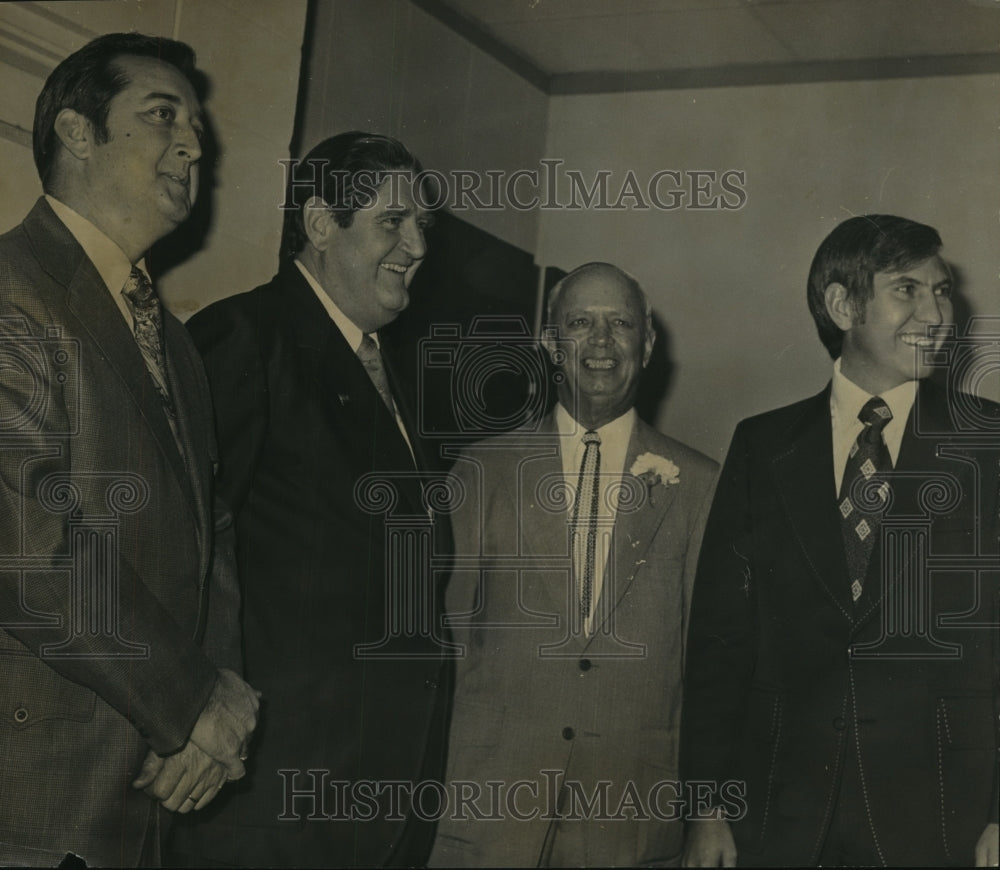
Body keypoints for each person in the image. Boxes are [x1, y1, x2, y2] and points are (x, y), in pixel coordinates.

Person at [0, 32, 260, 867]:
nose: (195, 142)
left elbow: (206, 537)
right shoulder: (13, 292)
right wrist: (189, 702)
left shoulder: (172, 339)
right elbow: (31, 552)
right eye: (162, 115)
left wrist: (219, 708)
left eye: (196, 123)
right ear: (76, 133)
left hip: (139, 792)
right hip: (37, 801)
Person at [168, 131, 452, 868]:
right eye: (394, 223)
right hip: (273, 789)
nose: (417, 245)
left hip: (374, 792)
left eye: (423, 226)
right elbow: (180, 552)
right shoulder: (245, 337)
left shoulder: (398, 374)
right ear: (323, 224)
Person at [681, 214, 1000, 867]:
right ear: (841, 303)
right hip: (781, 811)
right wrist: (708, 808)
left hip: (944, 815)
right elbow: (721, 641)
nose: (935, 312)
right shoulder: (762, 447)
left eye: (941, 291)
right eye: (907, 289)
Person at [430, 262, 719, 867]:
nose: (602, 342)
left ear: (647, 343)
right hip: (490, 814)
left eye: (621, 324)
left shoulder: (700, 486)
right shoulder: (483, 472)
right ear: (550, 343)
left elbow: (710, 663)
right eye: (580, 323)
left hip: (630, 819)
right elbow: (446, 647)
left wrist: (708, 811)